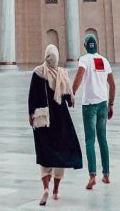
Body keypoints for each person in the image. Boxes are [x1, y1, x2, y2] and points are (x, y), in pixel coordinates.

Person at [28, 43, 83, 205]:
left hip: (43, 120)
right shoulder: (62, 73)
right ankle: (56, 190)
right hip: (60, 120)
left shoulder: (38, 73)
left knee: (45, 154)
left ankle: (45, 188)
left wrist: (31, 114)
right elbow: (68, 98)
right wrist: (71, 97)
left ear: (46, 56)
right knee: (60, 153)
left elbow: (32, 96)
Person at [72, 34, 115, 190]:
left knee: (90, 140)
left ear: (85, 45)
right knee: (102, 139)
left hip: (89, 105)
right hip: (103, 103)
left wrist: (72, 93)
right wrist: (111, 104)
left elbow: (79, 75)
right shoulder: (104, 60)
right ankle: (106, 175)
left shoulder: (84, 59)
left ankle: (92, 176)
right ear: (96, 45)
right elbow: (113, 84)